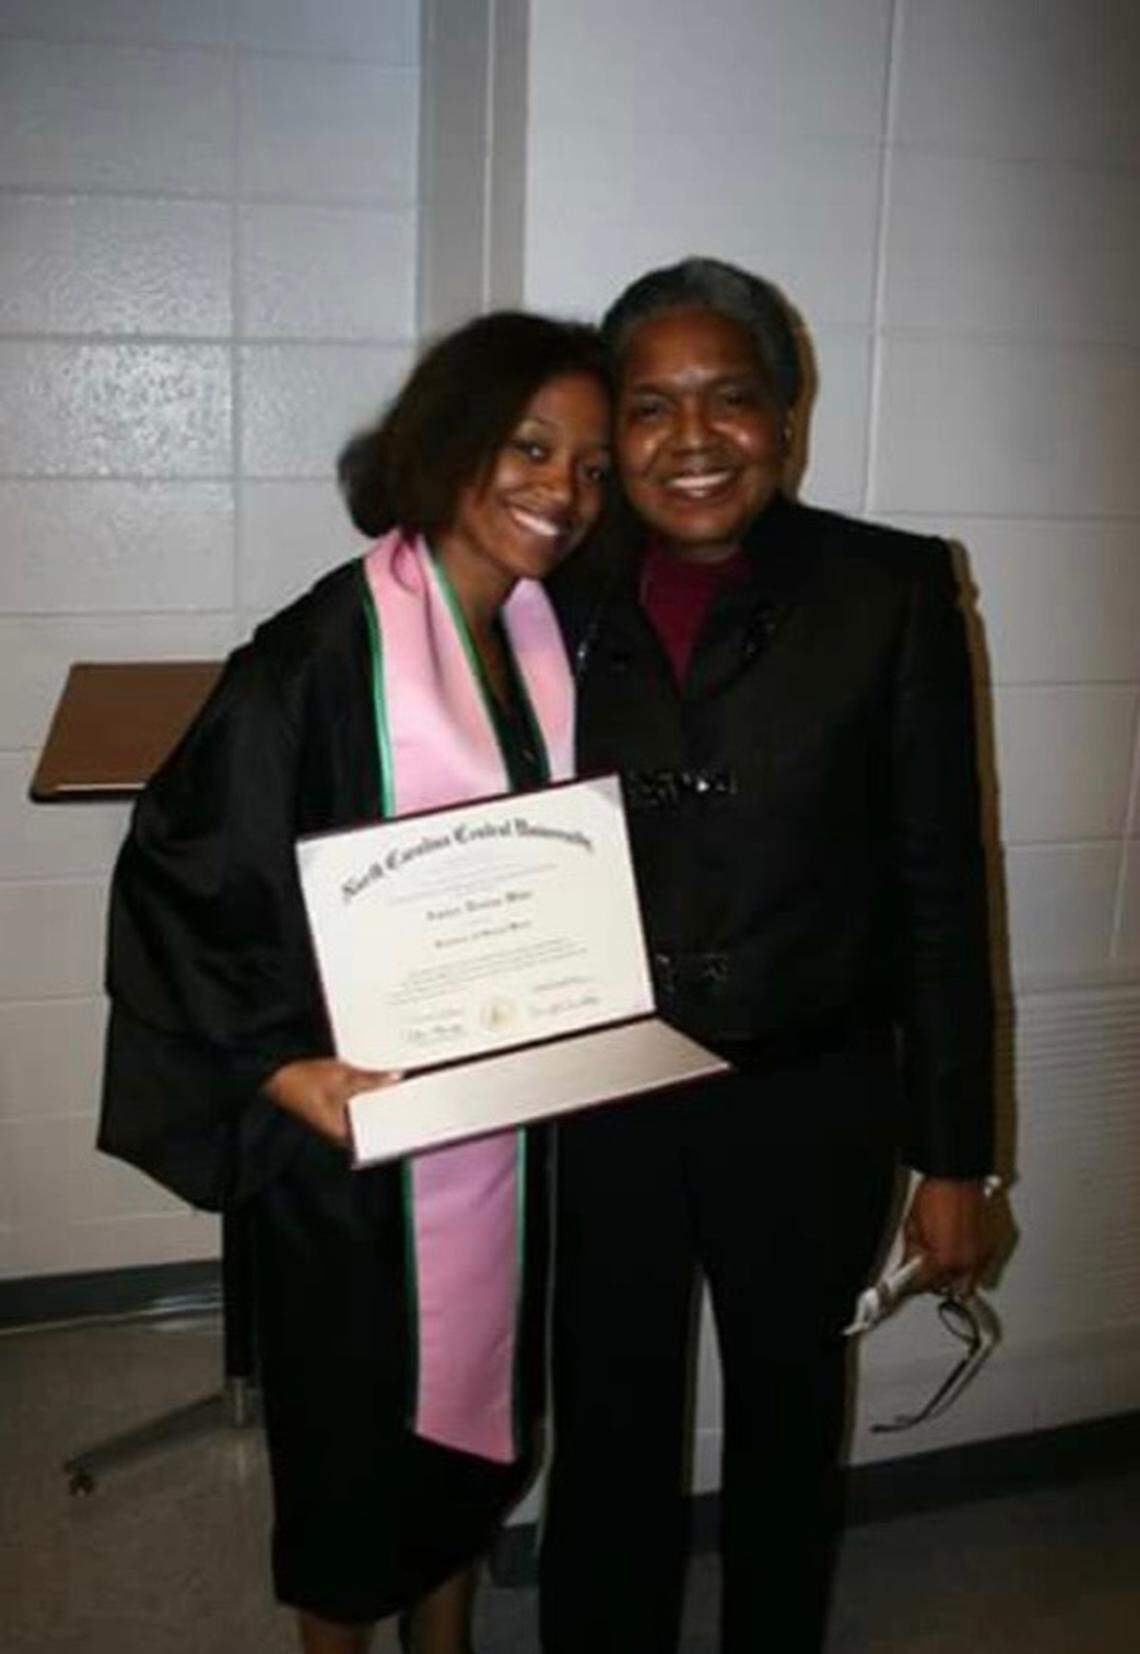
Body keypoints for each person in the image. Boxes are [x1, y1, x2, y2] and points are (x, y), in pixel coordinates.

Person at [98, 311, 611, 1654]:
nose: (564, 487)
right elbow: (179, 868)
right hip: (360, 1147)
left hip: (504, 1121)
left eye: (590, 465)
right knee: (352, 1445)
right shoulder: (323, 650)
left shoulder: (547, 640)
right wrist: (278, 1066)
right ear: (448, 446)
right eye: (531, 446)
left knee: (471, 1425)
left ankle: (441, 1639)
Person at [539, 258, 996, 1654]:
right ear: (610, 432)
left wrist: (957, 1155)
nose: (693, 437)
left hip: (810, 1098)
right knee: (609, 1423)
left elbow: (943, 891)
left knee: (790, 1425)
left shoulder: (892, 589)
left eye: (731, 399)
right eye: (653, 405)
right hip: (602, 1094)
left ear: (786, 419)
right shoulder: (544, 590)